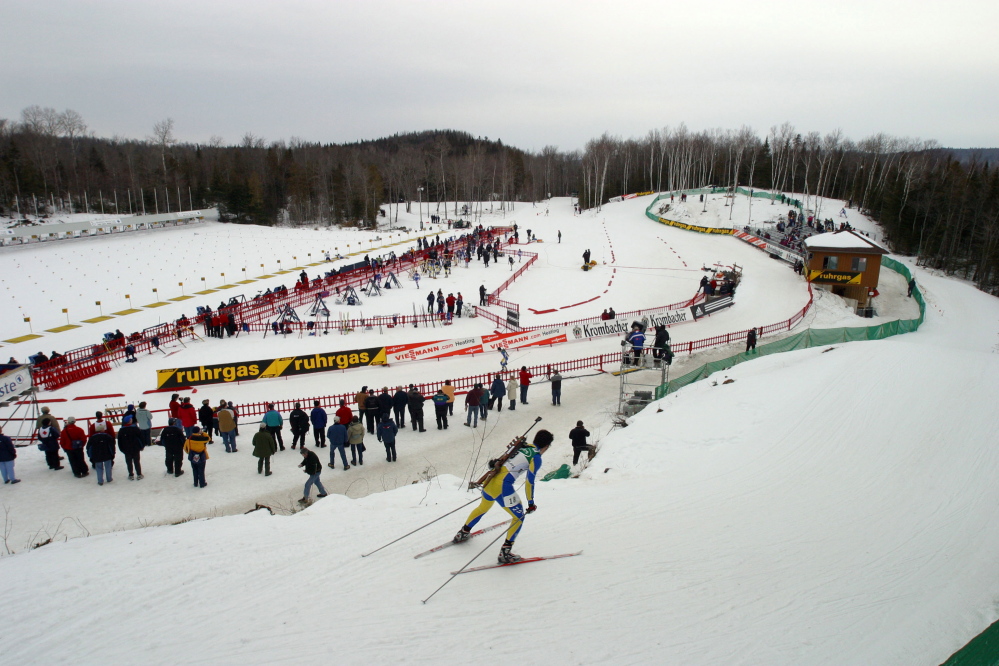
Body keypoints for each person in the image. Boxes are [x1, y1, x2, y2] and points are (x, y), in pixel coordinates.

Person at [453, 429, 554, 564]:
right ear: (546, 446)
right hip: (502, 488)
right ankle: (505, 553)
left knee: (483, 507)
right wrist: (531, 502)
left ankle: (463, 532)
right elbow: (529, 481)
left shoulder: (522, 446)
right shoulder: (536, 457)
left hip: (490, 481)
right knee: (518, 517)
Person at [117, 414, 144, 480]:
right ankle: (139, 474)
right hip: (135, 448)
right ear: (129, 421)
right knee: (137, 461)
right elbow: (141, 438)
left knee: (129, 462)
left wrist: (122, 449)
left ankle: (131, 474)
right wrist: (141, 446)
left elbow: (119, 441)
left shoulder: (121, 430)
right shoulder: (135, 429)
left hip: (126, 449)